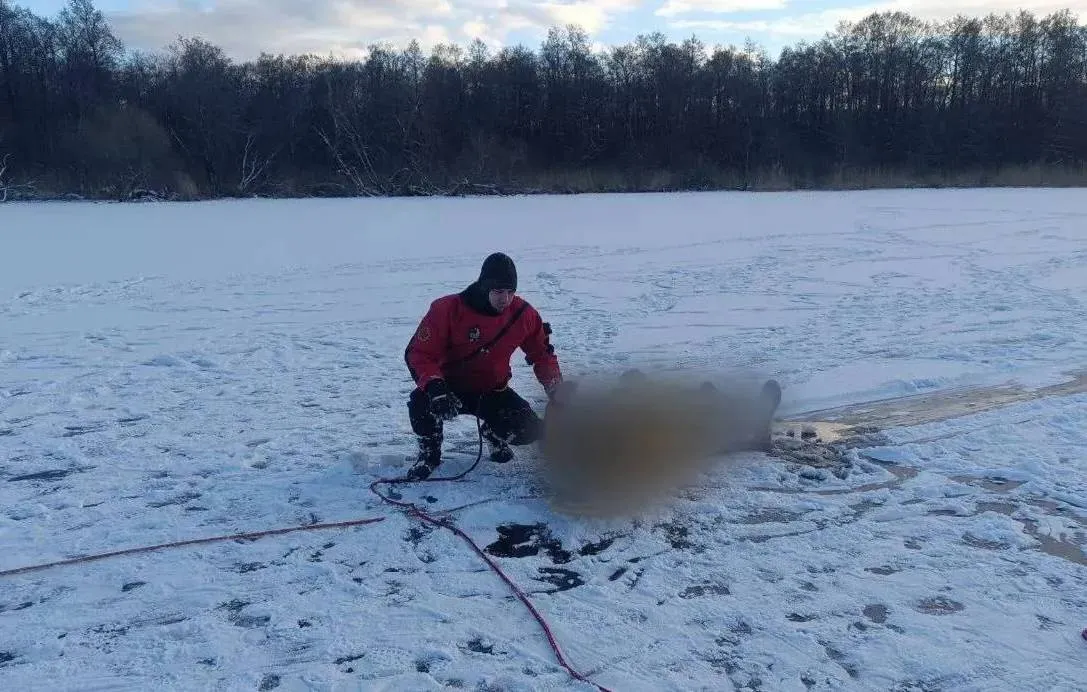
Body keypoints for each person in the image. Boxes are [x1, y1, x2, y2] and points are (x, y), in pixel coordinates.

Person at [402, 252, 568, 480]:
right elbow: (419, 353)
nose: (505, 299)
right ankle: (429, 454)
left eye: (511, 292)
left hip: (492, 391)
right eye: (499, 291)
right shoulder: (447, 309)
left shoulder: (523, 315)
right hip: (448, 389)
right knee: (420, 405)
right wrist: (434, 388)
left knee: (530, 430)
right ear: (484, 287)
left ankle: (493, 432)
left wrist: (555, 388)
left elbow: (542, 354)